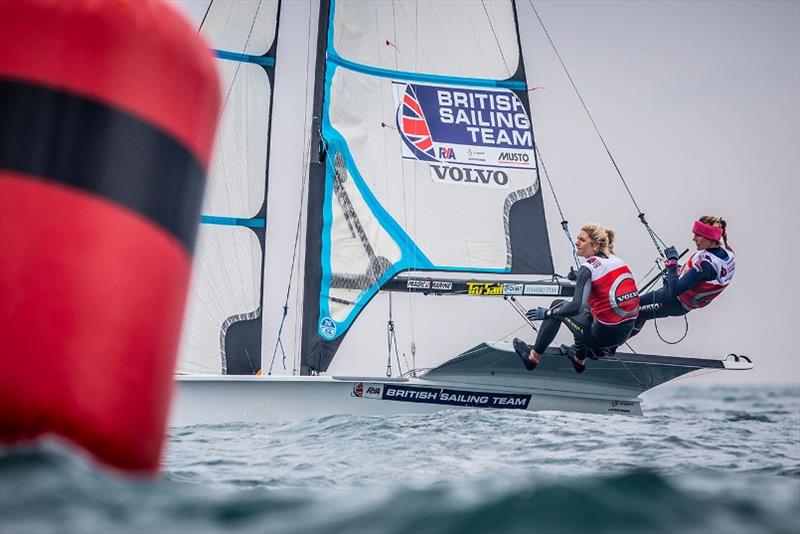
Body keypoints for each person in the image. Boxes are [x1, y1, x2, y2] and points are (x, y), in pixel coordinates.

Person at [513, 224, 640, 374]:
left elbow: (576, 307)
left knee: (558, 306)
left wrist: (548, 313)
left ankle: (532, 358)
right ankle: (579, 360)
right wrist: (578, 279)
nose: (577, 242)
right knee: (586, 308)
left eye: (582, 240)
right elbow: (604, 289)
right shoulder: (617, 261)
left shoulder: (588, 268)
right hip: (623, 334)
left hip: (601, 338)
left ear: (595, 245)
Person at [629, 215, 735, 338]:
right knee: (636, 310)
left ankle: (608, 349)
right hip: (676, 300)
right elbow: (698, 279)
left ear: (710, 237)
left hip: (672, 302)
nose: (694, 238)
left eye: (698, 235)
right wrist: (676, 270)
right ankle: (609, 348)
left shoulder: (706, 265)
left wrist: (673, 261)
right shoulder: (726, 254)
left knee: (632, 310)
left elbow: (674, 291)